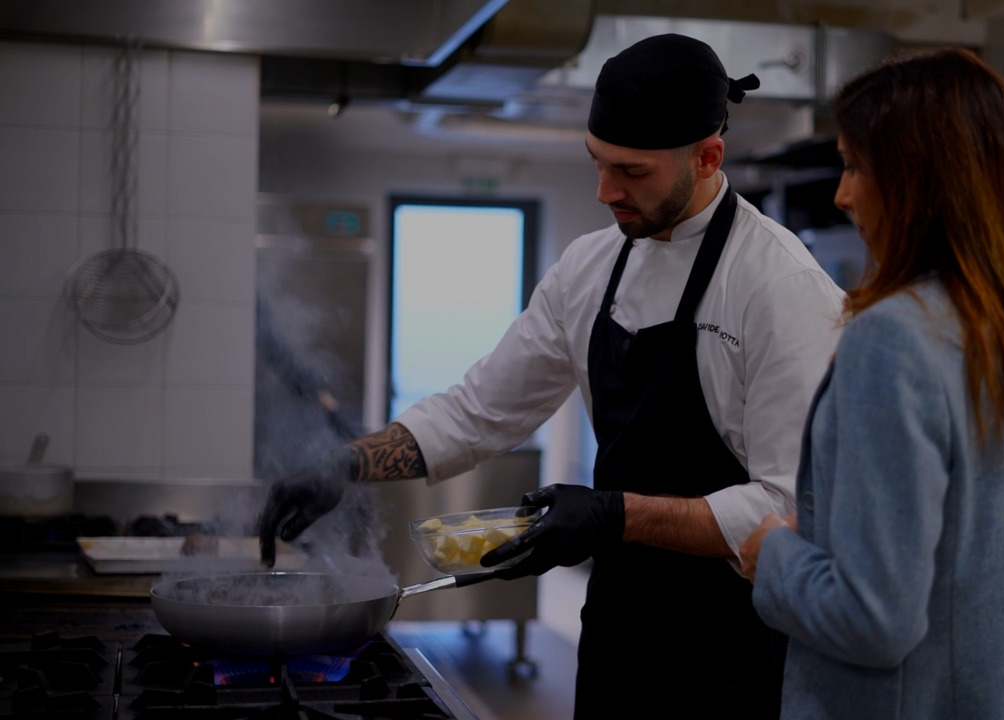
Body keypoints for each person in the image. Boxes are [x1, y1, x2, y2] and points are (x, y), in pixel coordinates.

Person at [257, 33, 847, 719]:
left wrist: (613, 514)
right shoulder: (591, 266)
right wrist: (346, 464)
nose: (604, 191)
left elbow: (789, 508)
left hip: (733, 644)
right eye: (596, 162)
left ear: (708, 158)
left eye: (631, 172)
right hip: (620, 627)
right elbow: (480, 409)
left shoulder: (780, 288)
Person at [738, 47, 1004, 719]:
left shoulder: (892, 338)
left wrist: (773, 554)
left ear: (917, 179)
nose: (841, 195)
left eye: (854, 166)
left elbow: (875, 621)